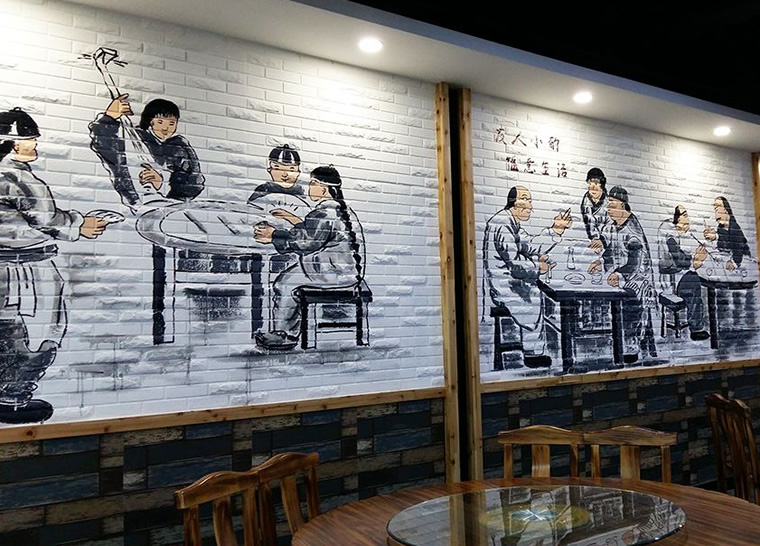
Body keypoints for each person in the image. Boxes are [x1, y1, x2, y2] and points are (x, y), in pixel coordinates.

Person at [0, 108, 108, 423]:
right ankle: (13, 398)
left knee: (7, 331)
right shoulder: (16, 175)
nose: (35, 144)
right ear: (11, 143)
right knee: (40, 332)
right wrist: (81, 224)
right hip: (26, 266)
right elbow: (46, 218)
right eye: (30, 139)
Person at [252, 165, 365, 350]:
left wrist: (273, 235)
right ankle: (285, 332)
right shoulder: (339, 210)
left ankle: (285, 335)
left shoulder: (325, 213)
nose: (309, 187)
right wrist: (292, 218)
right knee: (288, 278)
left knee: (285, 282)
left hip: (332, 273)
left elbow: (306, 242)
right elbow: (314, 234)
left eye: (313, 183)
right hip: (343, 271)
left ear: (323, 188)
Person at [483, 185, 572, 368]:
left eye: (530, 201)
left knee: (538, 293)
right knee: (534, 294)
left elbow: (529, 244)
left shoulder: (511, 222)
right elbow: (515, 264)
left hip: (510, 280)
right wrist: (538, 267)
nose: (530, 206)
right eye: (525, 200)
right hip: (505, 285)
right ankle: (533, 353)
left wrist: (555, 229)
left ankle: (534, 347)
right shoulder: (502, 224)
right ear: (514, 202)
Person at [90, 94, 205, 209]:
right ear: (150, 121)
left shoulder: (180, 146)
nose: (166, 128)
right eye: (160, 122)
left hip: (174, 206)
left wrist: (163, 182)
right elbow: (105, 145)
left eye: (171, 123)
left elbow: (194, 182)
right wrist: (109, 117)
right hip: (139, 206)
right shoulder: (135, 138)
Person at [589, 186, 656, 363]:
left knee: (628, 299)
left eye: (612, 205)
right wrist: (600, 261)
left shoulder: (632, 232)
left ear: (623, 205)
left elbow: (635, 263)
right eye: (608, 205)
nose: (608, 209)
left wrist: (619, 275)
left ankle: (631, 344)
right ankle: (619, 338)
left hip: (638, 278)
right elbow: (608, 247)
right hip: (619, 274)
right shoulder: (613, 226)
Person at [657, 206, 710, 341]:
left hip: (676, 275)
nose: (688, 219)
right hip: (672, 279)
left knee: (698, 281)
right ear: (677, 218)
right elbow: (679, 260)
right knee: (694, 282)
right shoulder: (670, 234)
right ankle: (696, 329)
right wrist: (695, 259)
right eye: (685, 215)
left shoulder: (673, 232)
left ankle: (697, 323)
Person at [704, 196, 751, 271]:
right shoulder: (720, 228)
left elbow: (739, 249)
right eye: (715, 209)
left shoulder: (734, 227)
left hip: (744, 261)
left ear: (726, 209)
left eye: (717, 208)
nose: (716, 214)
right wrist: (714, 238)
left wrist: (734, 263)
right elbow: (722, 247)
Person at [580, 167, 610, 254]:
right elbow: (589, 223)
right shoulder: (586, 201)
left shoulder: (609, 202)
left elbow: (610, 226)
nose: (593, 187)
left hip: (607, 242)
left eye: (596, 183)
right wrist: (595, 238)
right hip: (593, 242)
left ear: (602, 185)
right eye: (590, 183)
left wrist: (602, 240)